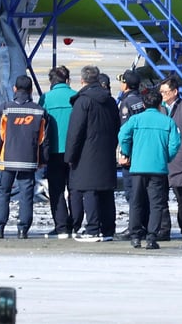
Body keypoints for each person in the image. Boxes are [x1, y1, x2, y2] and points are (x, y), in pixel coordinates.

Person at [118, 89, 181, 250]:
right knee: (156, 204)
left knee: (136, 202)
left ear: (144, 104)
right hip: (158, 168)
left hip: (138, 167)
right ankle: (152, 237)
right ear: (160, 104)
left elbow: (123, 135)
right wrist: (166, 157)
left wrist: (127, 151)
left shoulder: (136, 119)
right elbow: (175, 144)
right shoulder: (167, 121)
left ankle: (135, 236)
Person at [0, 74, 48, 240]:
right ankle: (23, 229)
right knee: (26, 194)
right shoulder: (39, 111)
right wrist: (42, 160)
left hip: (7, 159)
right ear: (30, 90)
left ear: (15, 89)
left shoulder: (6, 109)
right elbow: (43, 139)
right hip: (28, 161)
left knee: (3, 192)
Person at [64, 66, 120, 242]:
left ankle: (93, 228)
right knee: (106, 191)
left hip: (86, 152)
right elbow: (117, 126)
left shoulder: (83, 101)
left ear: (82, 80)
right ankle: (108, 229)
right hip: (106, 150)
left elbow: (75, 131)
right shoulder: (110, 100)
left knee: (89, 190)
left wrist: (70, 156)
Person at [39, 65, 76, 239]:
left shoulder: (46, 98)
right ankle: (75, 223)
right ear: (67, 80)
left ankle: (61, 226)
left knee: (56, 189)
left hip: (53, 151)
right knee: (75, 188)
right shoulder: (76, 97)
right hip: (74, 150)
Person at [158, 75, 182, 241]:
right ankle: (164, 228)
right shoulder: (159, 108)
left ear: (175, 92)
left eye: (166, 92)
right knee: (160, 196)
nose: (163, 95)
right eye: (161, 92)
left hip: (181, 158)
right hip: (161, 158)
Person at [116, 69, 146, 205]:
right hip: (142, 150)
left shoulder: (127, 103)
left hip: (131, 152)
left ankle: (136, 223)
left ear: (126, 85)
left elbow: (125, 131)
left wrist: (125, 153)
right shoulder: (141, 100)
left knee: (131, 190)